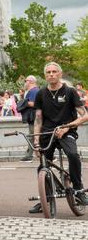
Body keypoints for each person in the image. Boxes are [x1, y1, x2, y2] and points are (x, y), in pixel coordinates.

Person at [29, 62, 88, 213]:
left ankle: (78, 189)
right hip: (47, 132)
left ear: (60, 74)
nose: (51, 74)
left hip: (67, 131)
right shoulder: (41, 93)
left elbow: (85, 115)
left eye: (54, 71)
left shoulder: (70, 92)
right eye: (48, 72)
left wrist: (67, 126)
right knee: (42, 165)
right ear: (45, 76)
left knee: (73, 155)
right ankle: (45, 198)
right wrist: (36, 141)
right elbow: (38, 119)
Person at [16, 75, 40, 161]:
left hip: (34, 117)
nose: (25, 83)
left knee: (32, 136)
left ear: (30, 81)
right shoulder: (33, 91)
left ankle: (30, 155)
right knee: (32, 136)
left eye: (25, 81)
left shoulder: (34, 91)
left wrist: (23, 103)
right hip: (33, 117)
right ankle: (30, 154)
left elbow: (34, 104)